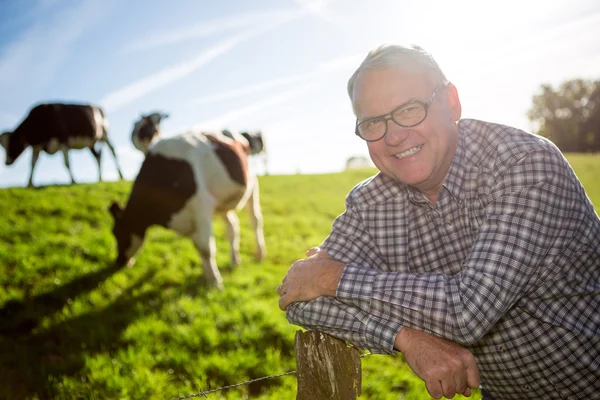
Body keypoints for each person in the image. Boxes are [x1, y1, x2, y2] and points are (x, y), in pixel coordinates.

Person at [277, 44, 600, 400]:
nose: (394, 135)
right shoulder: (372, 202)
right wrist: (404, 337)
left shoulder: (523, 164)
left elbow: (468, 311)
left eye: (409, 109)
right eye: (373, 123)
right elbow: (297, 298)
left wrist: (329, 277)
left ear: (451, 103)